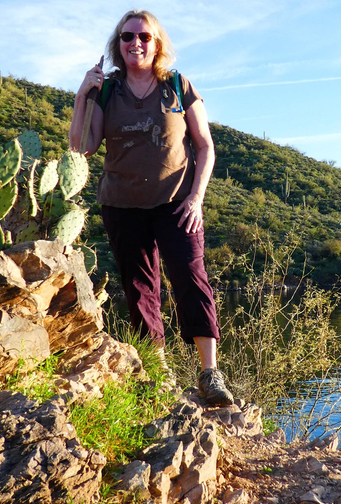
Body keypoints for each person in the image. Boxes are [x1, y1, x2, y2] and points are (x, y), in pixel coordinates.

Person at [69, 9, 233, 406]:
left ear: (157, 43)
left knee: (191, 279)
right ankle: (159, 378)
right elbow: (81, 148)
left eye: (144, 36)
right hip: (123, 206)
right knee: (140, 289)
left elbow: (205, 146)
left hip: (178, 202)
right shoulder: (107, 90)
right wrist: (81, 96)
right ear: (118, 44)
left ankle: (210, 375)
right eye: (127, 37)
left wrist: (196, 198)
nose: (135, 43)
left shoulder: (177, 85)